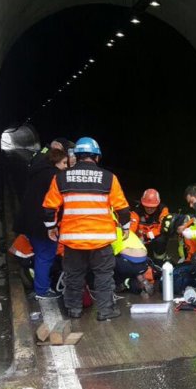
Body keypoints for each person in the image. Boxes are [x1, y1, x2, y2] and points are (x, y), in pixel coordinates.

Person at [42, 137, 131, 321]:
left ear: (76, 156)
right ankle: (105, 310)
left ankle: (74, 309)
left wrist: (51, 227)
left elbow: (49, 207)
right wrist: (126, 227)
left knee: (74, 275)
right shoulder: (108, 178)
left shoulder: (61, 177)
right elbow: (122, 207)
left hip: (73, 240)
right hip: (101, 240)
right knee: (104, 276)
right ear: (97, 157)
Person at [18, 147, 68, 300]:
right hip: (43, 224)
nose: (66, 166)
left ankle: (40, 284)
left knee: (40, 254)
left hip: (29, 221)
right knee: (45, 256)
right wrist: (53, 225)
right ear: (56, 162)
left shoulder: (37, 172)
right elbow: (55, 203)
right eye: (64, 163)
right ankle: (42, 290)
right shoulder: (54, 176)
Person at [111, 222, 155, 296]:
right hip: (144, 263)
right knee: (134, 269)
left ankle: (119, 284)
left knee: (105, 262)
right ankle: (141, 280)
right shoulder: (129, 232)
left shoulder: (111, 233)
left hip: (126, 264)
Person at [130, 188, 171, 263]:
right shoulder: (136, 210)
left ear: (157, 204)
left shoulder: (163, 210)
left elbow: (163, 227)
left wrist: (148, 235)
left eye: (152, 207)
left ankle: (159, 260)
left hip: (156, 237)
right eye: (146, 206)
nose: (149, 209)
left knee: (161, 240)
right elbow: (132, 227)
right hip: (141, 237)